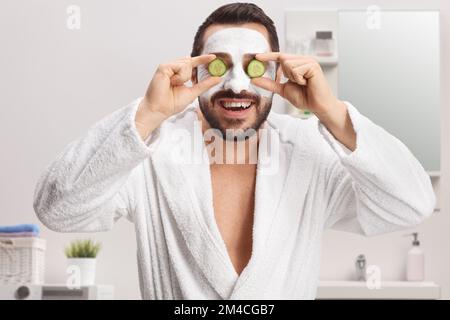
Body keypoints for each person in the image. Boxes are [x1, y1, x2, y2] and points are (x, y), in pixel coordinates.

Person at [33, 3, 435, 299]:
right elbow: (58, 208)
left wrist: (330, 112)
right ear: (195, 72)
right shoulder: (155, 152)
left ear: (277, 74)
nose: (238, 86)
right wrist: (148, 114)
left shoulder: (310, 154)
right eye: (220, 66)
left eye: (255, 66)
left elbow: (411, 203)